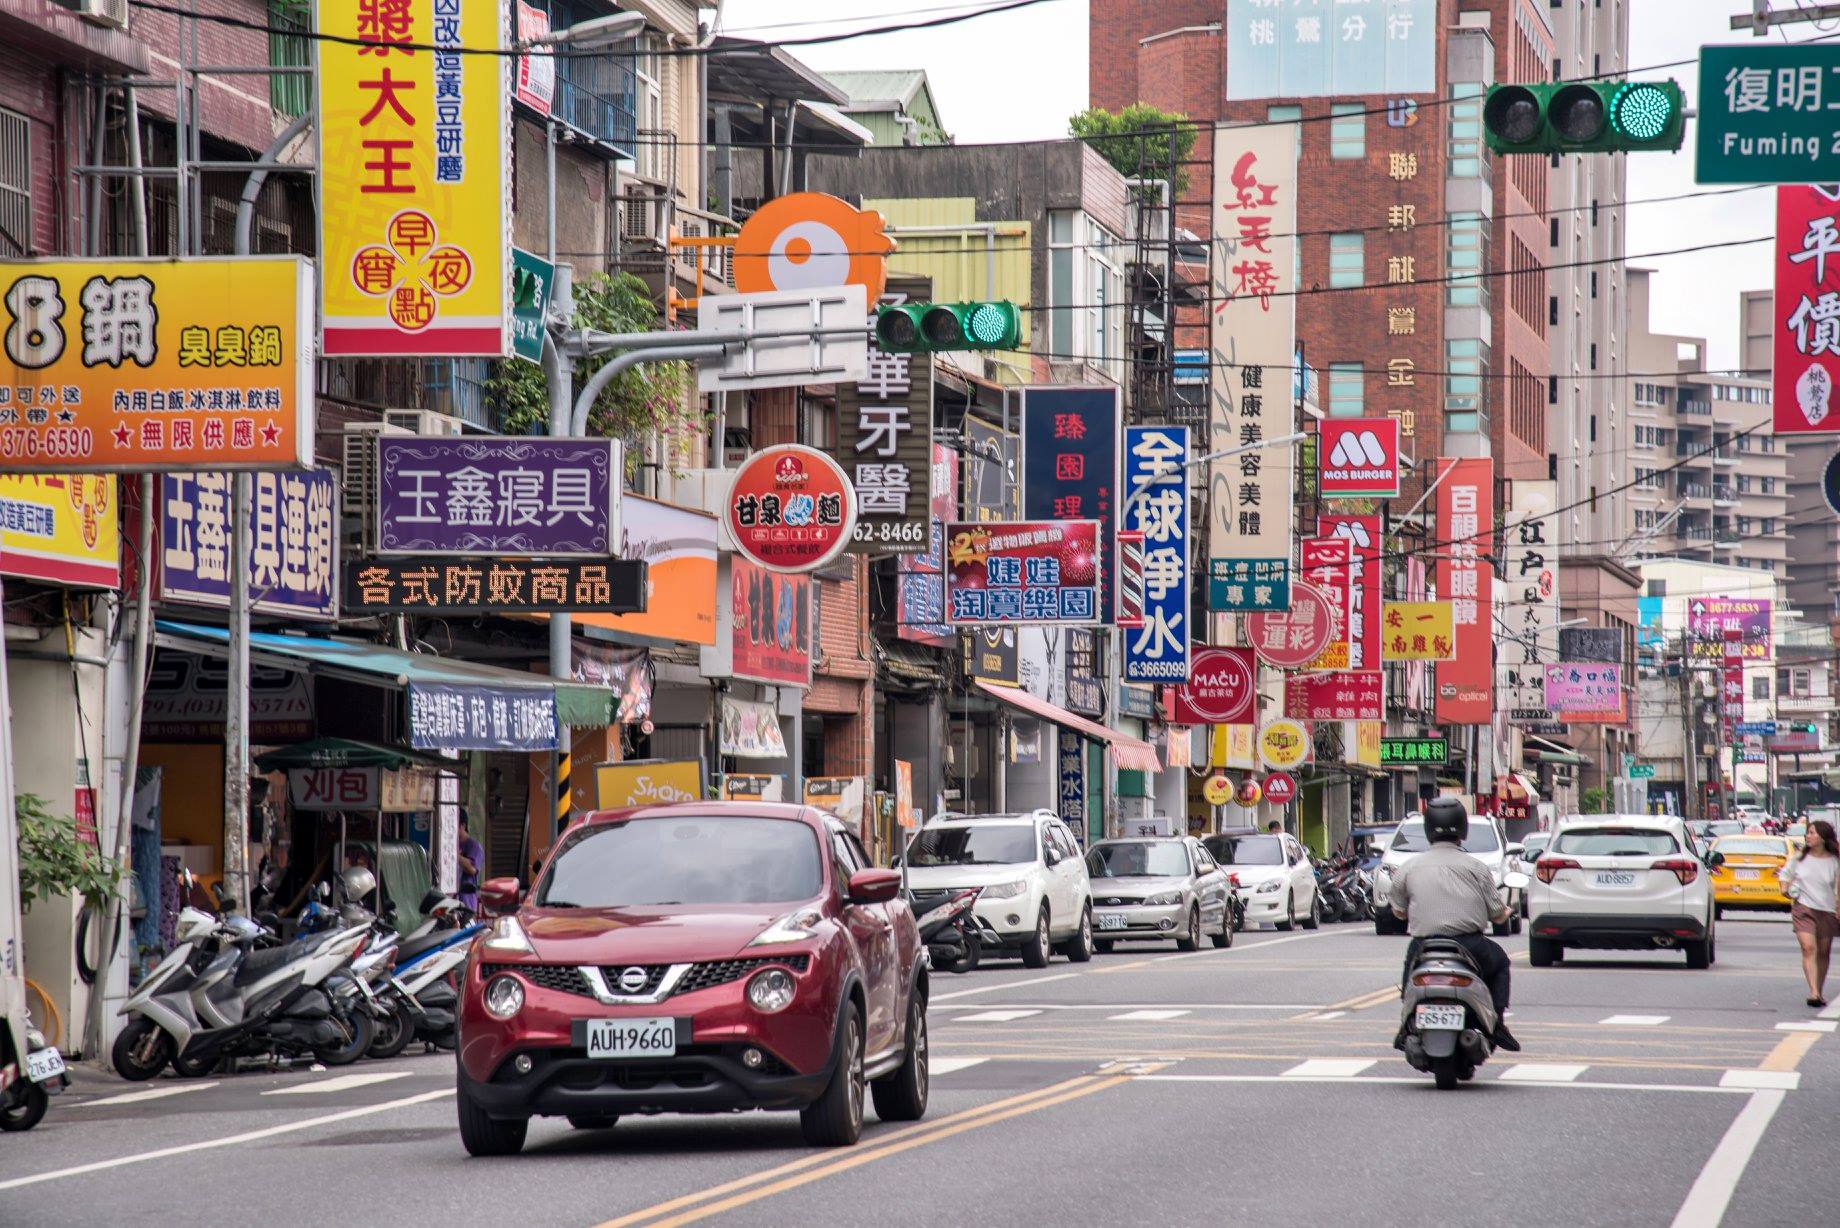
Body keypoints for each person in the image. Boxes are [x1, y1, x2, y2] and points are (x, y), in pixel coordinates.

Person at [1387, 796, 1520, 1052]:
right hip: (1471, 945)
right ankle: (1497, 1023)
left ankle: (1406, 1025)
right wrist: (1506, 911)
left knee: (1409, 978)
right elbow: (1497, 915)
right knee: (1501, 963)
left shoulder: (1409, 868)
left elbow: (1398, 912)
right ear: (1462, 829)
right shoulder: (1476, 867)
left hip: (1424, 946)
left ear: (1428, 830)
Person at [1779, 818, 1840, 1008]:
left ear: (1823, 837)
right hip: (1803, 908)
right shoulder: (1800, 858)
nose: (1808, 836)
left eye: (1812, 833)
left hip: (1828, 910)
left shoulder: (1834, 861)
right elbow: (1785, 874)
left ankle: (1819, 990)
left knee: (1823, 951)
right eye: (1808, 832)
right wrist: (1784, 888)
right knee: (1808, 948)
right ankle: (1813, 991)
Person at [456, 811, 484, 914]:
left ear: (463, 826)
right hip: (450, 901)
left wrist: (455, 855)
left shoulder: (474, 846)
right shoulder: (450, 843)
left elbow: (472, 869)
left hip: (466, 902)